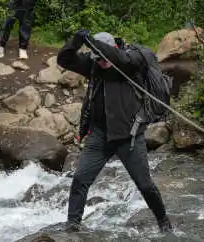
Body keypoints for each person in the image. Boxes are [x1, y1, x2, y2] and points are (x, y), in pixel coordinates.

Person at [56, 29, 173, 233]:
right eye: (97, 60)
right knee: (80, 179)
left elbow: (119, 58)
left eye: (103, 59)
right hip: (99, 136)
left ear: (114, 48)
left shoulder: (132, 60)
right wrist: (76, 41)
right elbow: (64, 59)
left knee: (145, 186)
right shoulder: (93, 64)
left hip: (129, 137)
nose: (100, 63)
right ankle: (72, 226)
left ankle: (163, 221)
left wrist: (95, 44)